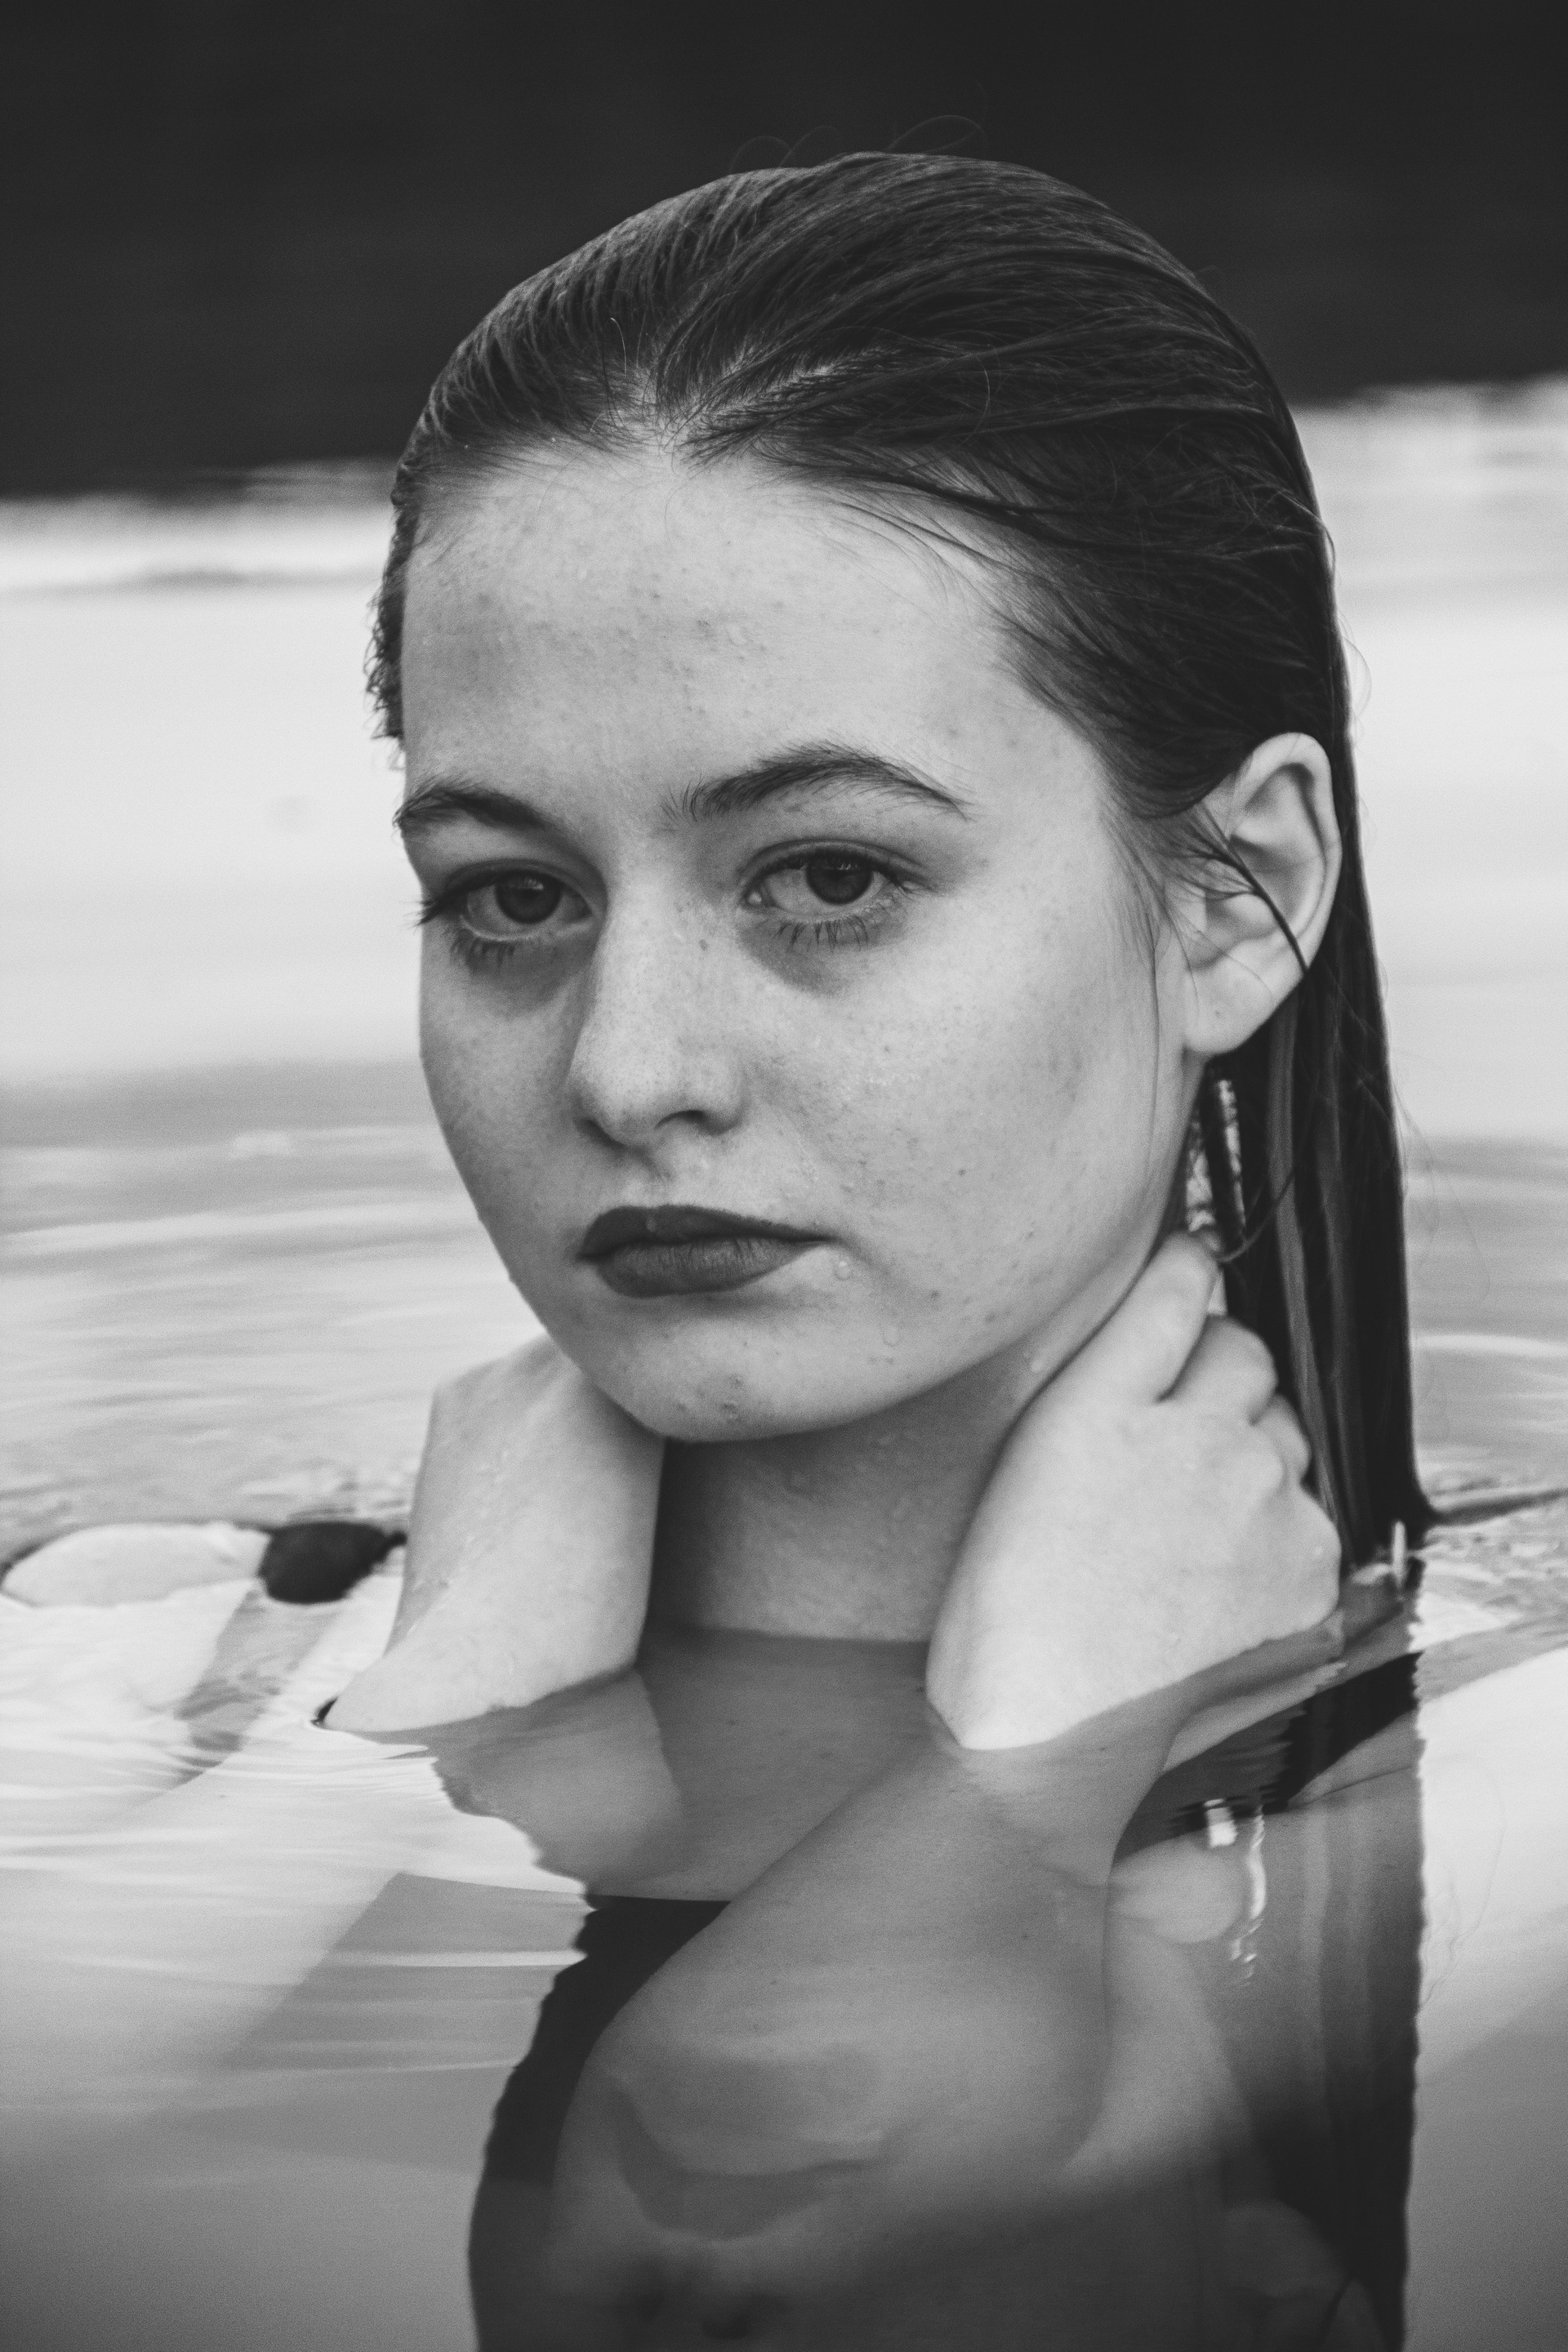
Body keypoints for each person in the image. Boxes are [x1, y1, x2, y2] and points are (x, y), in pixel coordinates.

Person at [317, 153, 1434, 2340]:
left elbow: (707, 2237)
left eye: (829, 877)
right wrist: (454, 1712)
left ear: (1239, 897)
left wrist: (1029, 1779)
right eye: (513, 897)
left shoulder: (1483, 1773)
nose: (630, 1070)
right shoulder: (148, 1647)